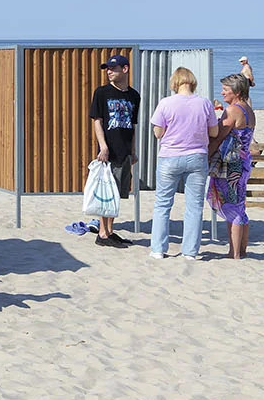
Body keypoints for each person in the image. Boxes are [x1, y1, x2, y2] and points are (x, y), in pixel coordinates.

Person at [149, 66, 218, 260]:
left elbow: (158, 133)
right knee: (194, 206)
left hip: (170, 156)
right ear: (192, 82)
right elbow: (213, 132)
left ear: (175, 82)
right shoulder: (204, 103)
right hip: (197, 156)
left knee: (163, 204)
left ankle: (158, 249)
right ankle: (190, 251)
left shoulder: (166, 103)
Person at [88, 54, 140, 247]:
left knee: (117, 193)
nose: (109, 72)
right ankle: (102, 233)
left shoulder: (134, 95)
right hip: (109, 151)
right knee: (107, 192)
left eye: (113, 68)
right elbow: (97, 121)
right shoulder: (102, 93)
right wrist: (103, 146)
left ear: (125, 69)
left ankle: (110, 230)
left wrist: (133, 150)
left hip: (125, 151)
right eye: (107, 69)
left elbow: (133, 125)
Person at [207, 73, 255, 259]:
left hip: (231, 165)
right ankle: (241, 250)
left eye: (226, 89)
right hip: (243, 162)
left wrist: (206, 156)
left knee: (232, 206)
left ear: (237, 91)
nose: (222, 93)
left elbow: (218, 136)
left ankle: (234, 252)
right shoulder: (248, 109)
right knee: (239, 206)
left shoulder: (233, 110)